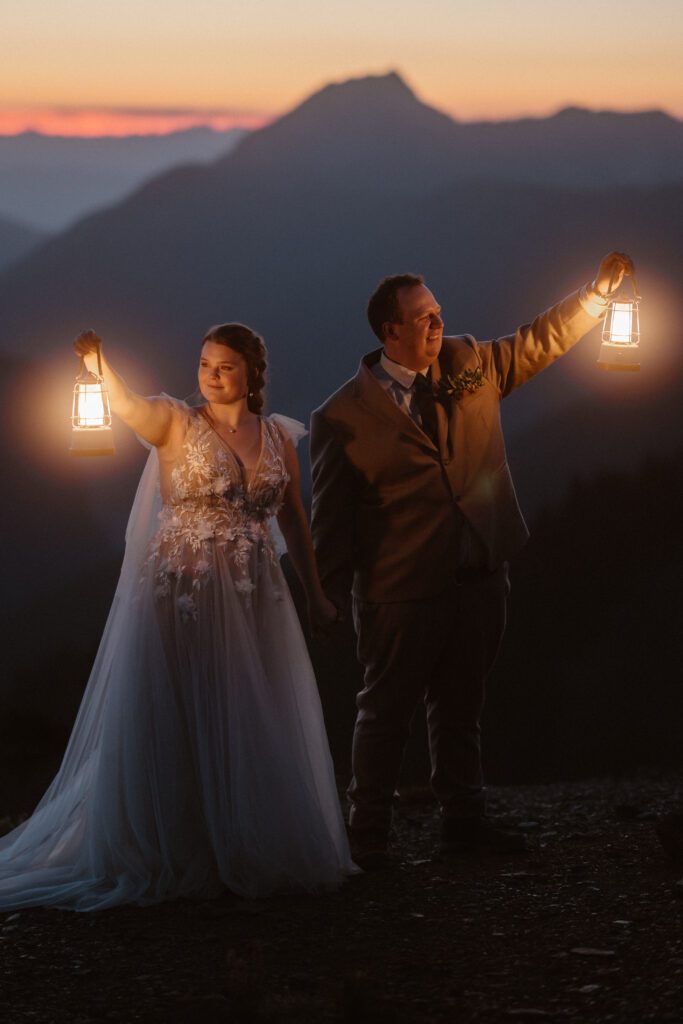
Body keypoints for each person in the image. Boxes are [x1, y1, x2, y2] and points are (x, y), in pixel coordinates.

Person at [0, 322, 357, 910]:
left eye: (225, 366)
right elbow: (130, 408)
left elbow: (293, 516)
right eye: (205, 364)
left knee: (251, 709)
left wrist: (315, 593)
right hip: (185, 590)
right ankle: (180, 847)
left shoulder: (276, 437)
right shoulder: (176, 422)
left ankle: (244, 841)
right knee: (187, 708)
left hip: (253, 592)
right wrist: (100, 367)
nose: (212, 376)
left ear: (253, 375)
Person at [310, 252, 634, 869]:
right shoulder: (340, 418)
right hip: (400, 591)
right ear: (390, 332)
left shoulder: (470, 362)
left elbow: (536, 342)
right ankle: (368, 836)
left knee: (462, 705)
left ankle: (464, 824)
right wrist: (326, 594)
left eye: (438, 313)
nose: (438, 324)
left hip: (481, 575)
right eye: (424, 318)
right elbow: (332, 521)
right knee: (384, 714)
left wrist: (594, 294)